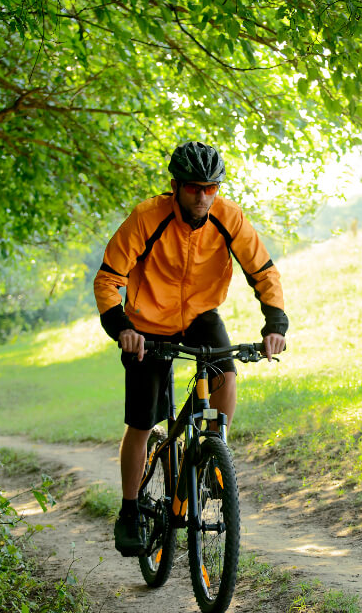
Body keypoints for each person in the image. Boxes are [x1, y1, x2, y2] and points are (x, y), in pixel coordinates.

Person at [94, 141, 288, 555]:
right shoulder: (148, 217)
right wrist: (123, 329)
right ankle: (130, 509)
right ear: (176, 185)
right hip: (147, 324)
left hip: (200, 315)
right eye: (194, 188)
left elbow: (264, 272)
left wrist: (275, 325)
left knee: (227, 372)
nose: (203, 196)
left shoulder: (229, 217)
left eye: (211, 188)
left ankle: (213, 457)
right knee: (143, 422)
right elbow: (108, 279)